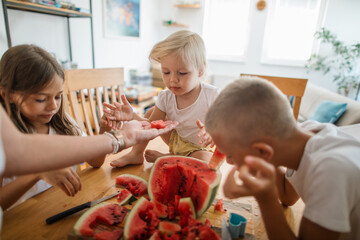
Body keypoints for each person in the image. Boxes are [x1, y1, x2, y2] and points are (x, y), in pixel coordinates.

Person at [0, 44, 176, 211]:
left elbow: (95, 162)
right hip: (22, 219)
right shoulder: (5, 140)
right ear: (6, 95)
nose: (53, 106)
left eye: (58, 97)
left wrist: (104, 129)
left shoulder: (62, 123)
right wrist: (37, 172)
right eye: (41, 99)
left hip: (65, 204)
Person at [204, 76, 360, 240]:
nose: (228, 161)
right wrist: (265, 170)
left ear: (263, 151)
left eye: (230, 154)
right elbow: (288, 197)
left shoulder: (330, 172)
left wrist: (265, 199)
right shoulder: (305, 136)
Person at [106, 30, 220, 167]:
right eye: (166, 72)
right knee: (150, 113)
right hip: (176, 141)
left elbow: (227, 126)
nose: (172, 79)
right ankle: (136, 154)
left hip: (199, 148)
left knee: (206, 163)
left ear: (200, 70)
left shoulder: (211, 95)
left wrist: (212, 132)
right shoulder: (165, 97)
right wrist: (133, 115)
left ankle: (169, 158)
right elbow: (150, 126)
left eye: (182, 73)